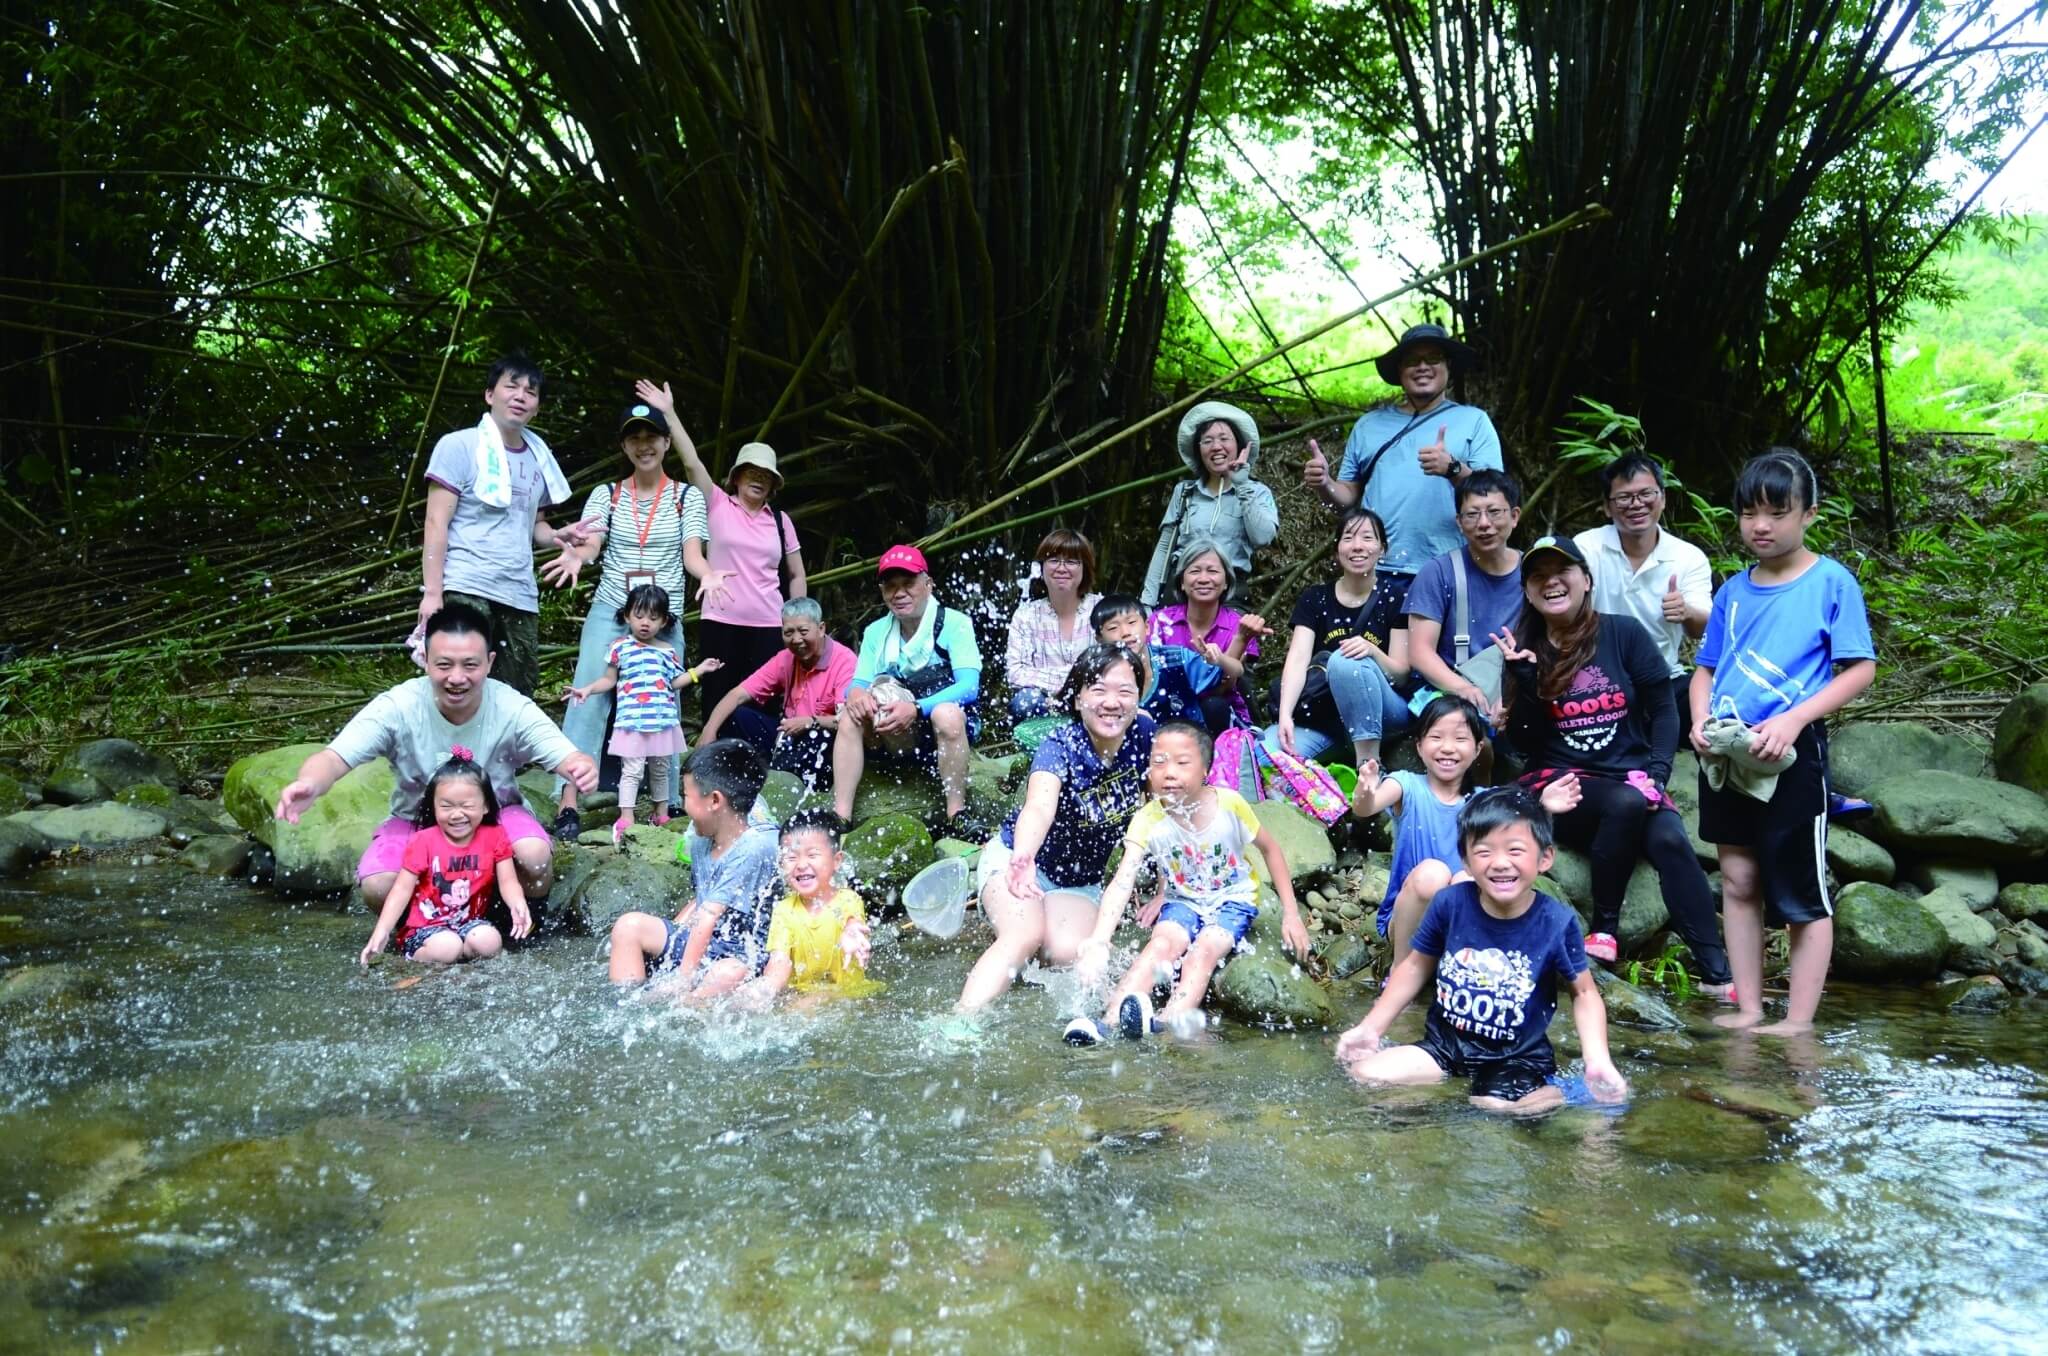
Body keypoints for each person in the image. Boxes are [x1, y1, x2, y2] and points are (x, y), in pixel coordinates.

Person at [1490, 535, 1734, 991]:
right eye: (1539, 577)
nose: (1552, 583)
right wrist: (1524, 683)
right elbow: (1525, 744)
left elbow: (1664, 710)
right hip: (1562, 785)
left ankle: (1718, 976)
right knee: (1623, 803)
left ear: (1586, 579)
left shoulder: (1622, 633)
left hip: (1633, 777)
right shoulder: (1526, 649)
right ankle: (1605, 927)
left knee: (1670, 841)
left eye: (1562, 572)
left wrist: (1659, 775)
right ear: (1527, 592)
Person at [1690, 449, 1875, 1035]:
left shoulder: (1830, 582)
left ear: (1809, 514)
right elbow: (1706, 668)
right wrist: (1698, 723)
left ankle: (1797, 1020)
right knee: (1740, 882)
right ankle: (1748, 1007)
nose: (1761, 525)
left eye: (1777, 511)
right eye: (1749, 513)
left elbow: (1859, 669)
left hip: (1793, 756)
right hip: (1726, 752)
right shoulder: (1732, 592)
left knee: (1798, 890)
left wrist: (1794, 719)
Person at [275, 603, 598, 912]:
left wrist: (579, 767)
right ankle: (420, 934)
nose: (457, 677)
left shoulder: (511, 707)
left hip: (495, 818)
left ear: (489, 661)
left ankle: (526, 929)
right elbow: (332, 759)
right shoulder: (398, 707)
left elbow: (567, 755)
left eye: (470, 665)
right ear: (426, 660)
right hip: (418, 823)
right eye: (444, 665)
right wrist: (309, 784)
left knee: (534, 855)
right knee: (378, 885)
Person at [1334, 787, 1628, 1114]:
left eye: (1515, 850)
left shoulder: (1555, 922)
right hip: (1445, 1047)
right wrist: (1370, 1029)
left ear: (1544, 858)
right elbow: (1415, 966)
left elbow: (1585, 993)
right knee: (1366, 1074)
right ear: (1466, 861)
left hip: (1514, 1057)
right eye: (1484, 852)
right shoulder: (1450, 903)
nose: (1500, 863)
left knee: (1490, 1108)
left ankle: (1562, 1092)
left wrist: (1597, 1060)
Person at [1064, 721, 1307, 1044]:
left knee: (1202, 952)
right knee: (1160, 945)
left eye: (1182, 762)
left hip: (1232, 900)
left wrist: (1291, 914)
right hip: (1182, 900)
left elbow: (1271, 850)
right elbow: (1123, 880)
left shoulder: (1229, 805)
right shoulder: (1148, 818)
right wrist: (1099, 940)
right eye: (1159, 761)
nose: (1169, 772)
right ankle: (1108, 1020)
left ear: (1205, 768)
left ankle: (1168, 1020)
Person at [545, 398, 710, 840]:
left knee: (665, 702)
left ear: (666, 442)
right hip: (613, 608)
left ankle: (669, 801)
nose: (643, 445)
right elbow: (591, 544)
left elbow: (693, 555)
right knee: (589, 697)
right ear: (624, 445)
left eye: (651, 436)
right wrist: (576, 556)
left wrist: (709, 575)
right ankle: (568, 801)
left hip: (664, 618)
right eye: (634, 437)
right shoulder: (608, 494)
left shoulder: (685, 497)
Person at [958, 644, 1154, 1014]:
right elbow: (1039, 807)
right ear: (1078, 697)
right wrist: (1024, 857)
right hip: (1022, 862)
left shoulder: (1145, 735)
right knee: (1023, 935)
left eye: (1125, 691)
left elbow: (1163, 811)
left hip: (1078, 881)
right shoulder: (1060, 745)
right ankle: (961, 1022)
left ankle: (1030, 924)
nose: (1112, 702)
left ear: (1138, 697)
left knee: (1067, 955)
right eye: (1098, 690)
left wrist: (1164, 888)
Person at [416, 353, 591, 696]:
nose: (521, 395)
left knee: (516, 693)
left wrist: (557, 536)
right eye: (511, 386)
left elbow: (534, 525)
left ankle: (500, 753)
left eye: (531, 391)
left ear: (537, 406)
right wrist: (433, 593)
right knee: (459, 685)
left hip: (518, 592)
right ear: (489, 394)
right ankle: (455, 753)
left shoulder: (540, 458)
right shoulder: (459, 446)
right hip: (466, 585)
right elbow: (436, 522)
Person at [632, 379, 806, 721]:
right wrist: (669, 413)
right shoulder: (715, 503)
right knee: (717, 695)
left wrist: (795, 617)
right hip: (721, 620)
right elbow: (693, 461)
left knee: (764, 701)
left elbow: (797, 573)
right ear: (737, 477)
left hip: (769, 625)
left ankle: (760, 768)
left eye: (766, 475)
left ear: (773, 484)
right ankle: (712, 767)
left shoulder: (781, 521)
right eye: (751, 472)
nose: (758, 479)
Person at [1302, 324, 1504, 599]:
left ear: (1449, 367)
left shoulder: (1474, 420)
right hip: (1376, 567)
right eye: (1412, 361)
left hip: (1449, 565)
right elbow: (1346, 500)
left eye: (1433, 359)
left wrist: (1453, 469)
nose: (1422, 367)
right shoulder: (1369, 425)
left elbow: (1494, 493)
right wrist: (1324, 485)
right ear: (1399, 371)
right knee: (1372, 645)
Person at [605, 739, 782, 993]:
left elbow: (709, 917)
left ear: (715, 801)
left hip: (742, 956)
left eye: (686, 795)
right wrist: (669, 945)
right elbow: (702, 904)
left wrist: (681, 979)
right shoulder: (702, 840)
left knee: (723, 974)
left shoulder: (756, 847)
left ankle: (684, 1010)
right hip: (706, 943)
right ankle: (624, 1005)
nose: (684, 804)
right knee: (628, 927)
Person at [831, 545, 983, 830]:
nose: (899, 593)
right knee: (850, 714)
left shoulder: (954, 623)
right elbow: (857, 684)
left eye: (909, 583)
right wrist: (856, 696)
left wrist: (915, 708)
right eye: (890, 586)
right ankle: (841, 817)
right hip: (893, 732)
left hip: (940, 728)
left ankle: (956, 814)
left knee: (946, 714)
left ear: (928, 584)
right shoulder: (876, 631)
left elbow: (969, 687)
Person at [1572, 452, 1713, 748]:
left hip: (1662, 680)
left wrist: (1686, 611)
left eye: (1646, 494)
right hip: (1597, 680)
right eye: (1623, 497)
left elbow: (1703, 628)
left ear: (1662, 498)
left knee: (1713, 698)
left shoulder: (1688, 557)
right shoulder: (1587, 548)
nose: (1636, 504)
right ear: (1607, 507)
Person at [562, 585, 717, 842]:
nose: (646, 623)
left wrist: (698, 671)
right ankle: (626, 816)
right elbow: (609, 680)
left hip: (662, 721)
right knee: (631, 771)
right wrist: (587, 690)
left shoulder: (667, 651)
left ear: (664, 620)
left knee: (660, 769)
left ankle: (661, 813)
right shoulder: (619, 647)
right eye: (639, 616)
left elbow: (673, 683)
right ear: (627, 616)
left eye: (653, 618)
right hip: (632, 721)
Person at [1267, 509, 1411, 767]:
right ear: (1336, 552)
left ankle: (1368, 767)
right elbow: (1298, 659)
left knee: (1346, 663)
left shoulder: (1396, 598)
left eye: (1368, 538)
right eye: (1348, 538)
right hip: (1329, 720)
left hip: (1385, 713)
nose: (1358, 546)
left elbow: (1401, 675)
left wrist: (1372, 651)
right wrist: (1286, 715)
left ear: (1382, 550)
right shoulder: (1316, 598)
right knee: (1267, 752)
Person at [357, 752, 530, 967]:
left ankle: (460, 959)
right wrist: (381, 933)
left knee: (489, 941)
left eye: (467, 806)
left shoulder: (495, 835)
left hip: (469, 923)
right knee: (447, 946)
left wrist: (518, 904)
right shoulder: (423, 840)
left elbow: (508, 882)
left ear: (485, 806)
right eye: (446, 806)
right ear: (433, 807)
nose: (457, 815)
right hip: (425, 929)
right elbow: (401, 890)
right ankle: (411, 962)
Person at [1404, 469, 1525, 721]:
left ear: (1514, 516)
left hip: (1519, 688)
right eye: (1472, 514)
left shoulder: (1535, 572)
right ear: (1459, 523)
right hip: (1455, 692)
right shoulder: (1438, 572)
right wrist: (1463, 690)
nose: (1483, 523)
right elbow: (1419, 651)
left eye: (1494, 512)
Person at [698, 597, 856, 788]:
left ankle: (786, 784)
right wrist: (709, 730)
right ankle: (741, 779)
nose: (796, 640)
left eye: (803, 631)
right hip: (787, 734)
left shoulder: (845, 661)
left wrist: (810, 722)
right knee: (737, 716)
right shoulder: (786, 659)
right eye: (788, 632)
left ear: (821, 628)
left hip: (821, 739)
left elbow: (847, 720)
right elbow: (737, 694)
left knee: (818, 737)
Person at [732, 811, 880, 1008]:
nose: (801, 865)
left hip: (848, 995)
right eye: (791, 857)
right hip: (801, 996)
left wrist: (852, 932)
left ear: (837, 861)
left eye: (812, 855)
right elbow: (779, 960)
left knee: (805, 1006)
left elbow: (853, 921)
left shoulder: (847, 899)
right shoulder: (784, 910)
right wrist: (767, 986)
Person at [1140, 401, 1278, 606]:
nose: (1216, 447)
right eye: (1207, 441)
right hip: (1180, 590)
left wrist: (1241, 486)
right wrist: (1147, 602)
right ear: (1199, 450)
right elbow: (1164, 548)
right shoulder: (1185, 492)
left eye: (1224, 439)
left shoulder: (1256, 492)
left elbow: (1263, 537)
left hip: (1230, 593)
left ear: (1239, 447)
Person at [1149, 540, 1267, 733]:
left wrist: (1228, 651)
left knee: (1214, 705)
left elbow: (1225, 686)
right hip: (1166, 708)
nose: (1203, 579)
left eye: (1212, 571)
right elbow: (1151, 679)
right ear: (1182, 582)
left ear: (1226, 582)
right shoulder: (1160, 622)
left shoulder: (1238, 626)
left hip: (1218, 714)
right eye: (1195, 571)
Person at [1003, 528, 1104, 720]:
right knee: (1025, 701)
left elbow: (1109, 666)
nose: (1061, 568)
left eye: (1072, 561)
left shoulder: (1100, 609)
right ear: (1041, 567)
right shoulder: (1026, 615)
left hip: (1093, 698)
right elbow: (1015, 673)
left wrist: (1067, 688)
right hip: (1043, 702)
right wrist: (1068, 685)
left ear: (1085, 568)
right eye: (1054, 560)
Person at [1091, 595, 1224, 727]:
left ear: (1147, 627)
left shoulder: (1176, 659)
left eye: (1131, 622)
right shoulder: (1097, 677)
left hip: (1190, 742)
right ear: (1099, 640)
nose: (1125, 632)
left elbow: (1224, 678)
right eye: (1113, 628)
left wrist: (1218, 658)